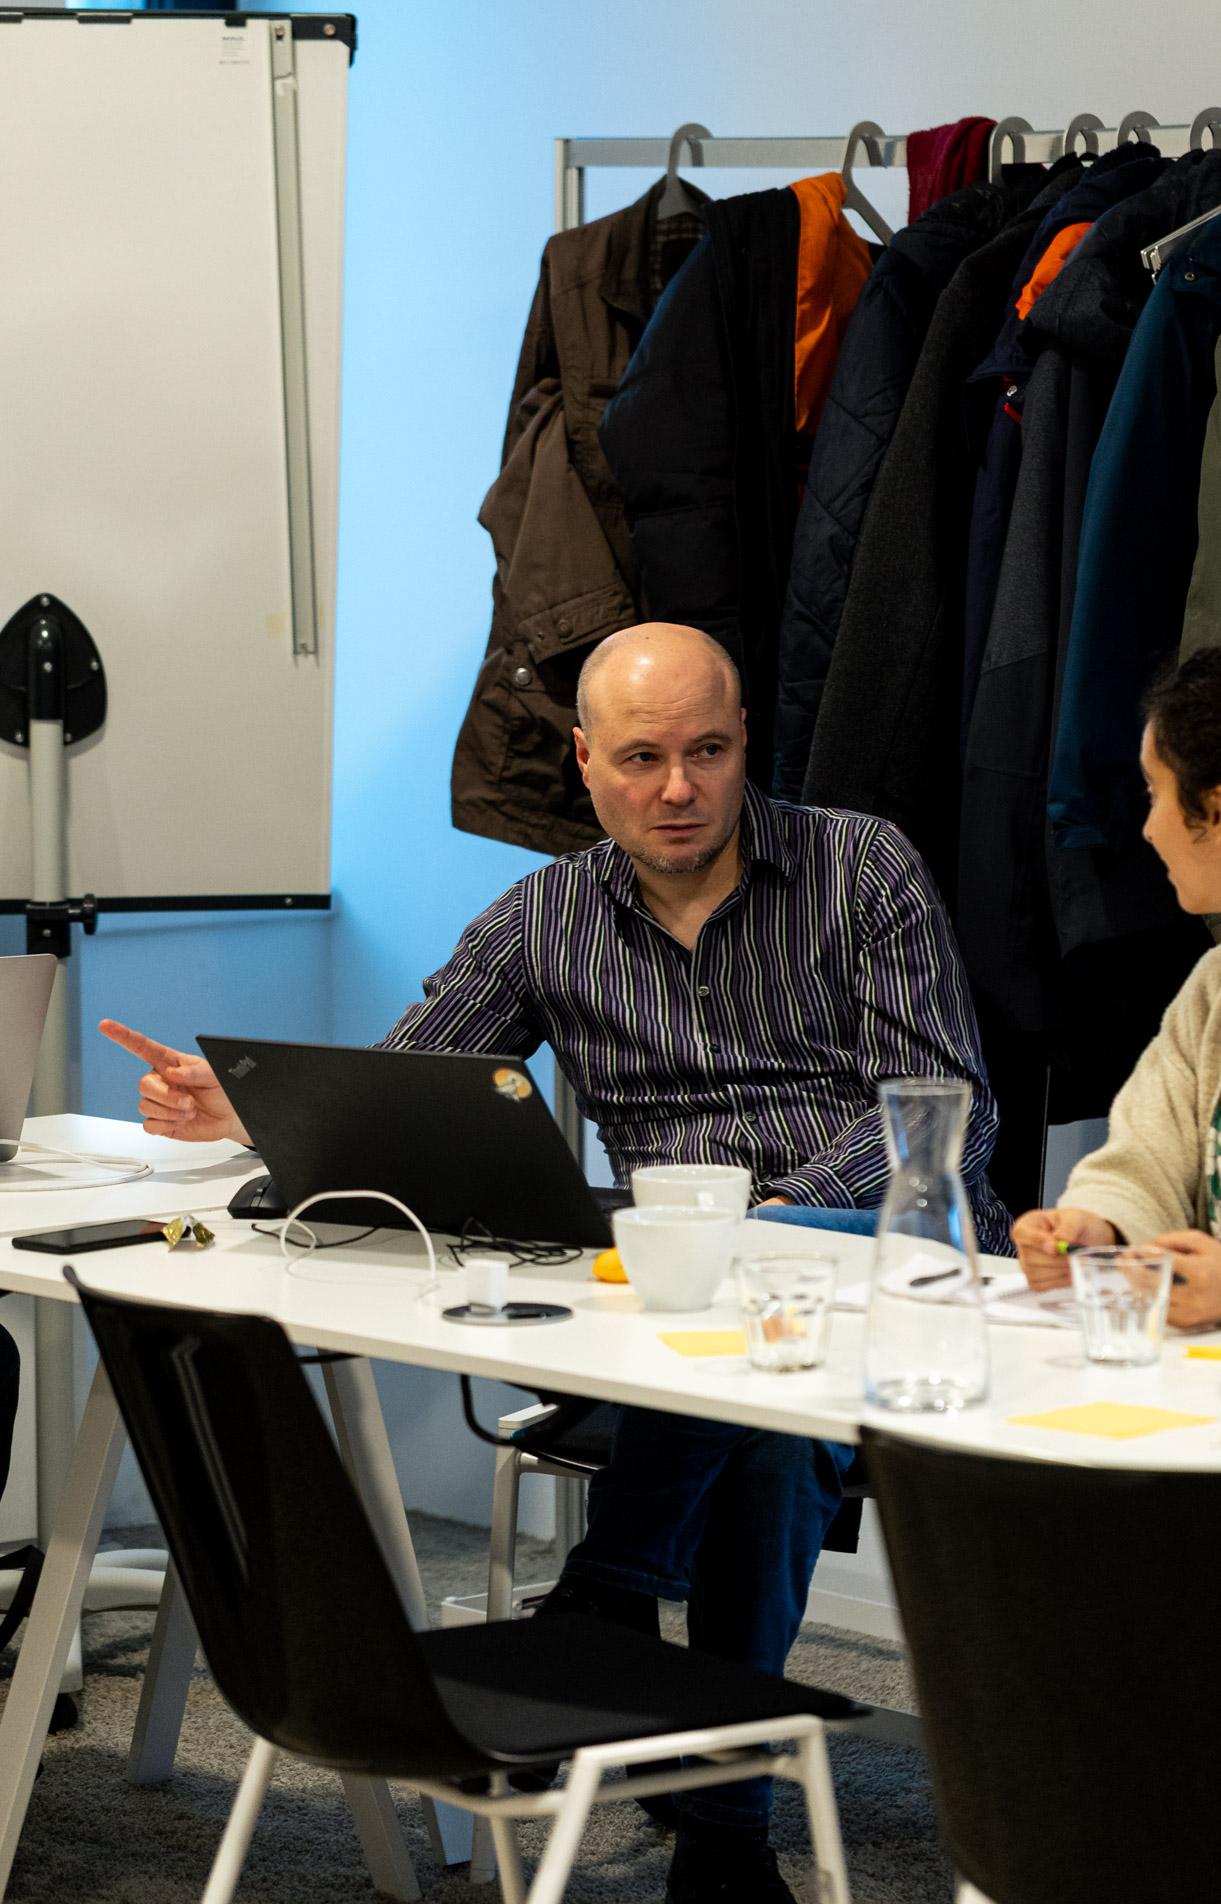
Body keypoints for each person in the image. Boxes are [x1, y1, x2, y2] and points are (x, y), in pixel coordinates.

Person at [103, 622, 1008, 1904]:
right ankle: (725, 1838)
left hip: (868, 1250)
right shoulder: (546, 914)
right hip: (671, 1311)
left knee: (772, 1335)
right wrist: (253, 1114)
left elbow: (941, 1106)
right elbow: (411, 1086)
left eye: (708, 751)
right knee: (769, 1436)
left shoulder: (859, 870)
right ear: (584, 761)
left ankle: (610, 1593)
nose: (679, 787)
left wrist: (761, 1234)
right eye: (642, 758)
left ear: (748, 741)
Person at [1013, 642, 1221, 1331]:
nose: (1147, 827)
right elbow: (1145, 1160)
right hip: (1214, 1384)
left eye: (1154, 792)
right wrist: (1093, 1225)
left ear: (1218, 813)